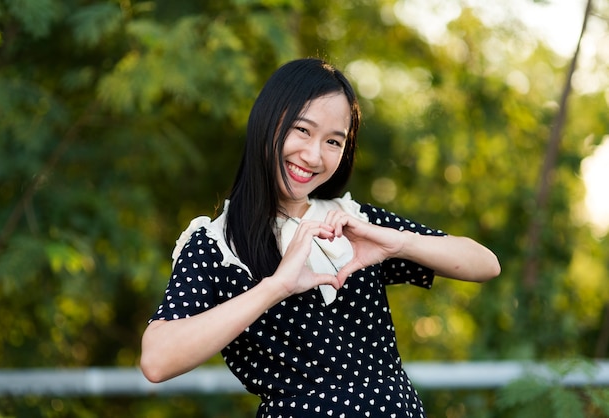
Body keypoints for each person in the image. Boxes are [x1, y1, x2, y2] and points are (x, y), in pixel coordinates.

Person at [140, 58, 500, 417]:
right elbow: (157, 360)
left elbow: (485, 264)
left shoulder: (351, 220)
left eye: (333, 141)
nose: (313, 156)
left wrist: (400, 242)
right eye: (302, 130)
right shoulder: (218, 244)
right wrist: (276, 286)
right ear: (268, 121)